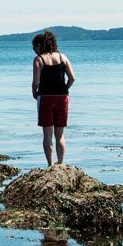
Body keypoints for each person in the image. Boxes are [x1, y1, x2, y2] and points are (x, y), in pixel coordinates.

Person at [31, 30, 75, 165]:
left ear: (40, 45)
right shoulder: (63, 57)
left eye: (34, 47)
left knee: (47, 134)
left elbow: (36, 82)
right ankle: (60, 163)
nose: (34, 50)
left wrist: (34, 92)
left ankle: (50, 164)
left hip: (46, 97)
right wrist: (65, 89)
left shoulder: (39, 60)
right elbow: (72, 78)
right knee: (60, 134)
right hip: (62, 97)